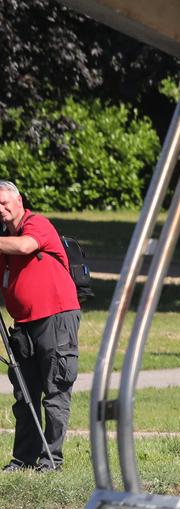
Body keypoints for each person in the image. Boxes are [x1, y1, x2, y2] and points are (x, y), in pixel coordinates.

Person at [0, 181, 82, 472]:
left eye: (4, 202)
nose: (1, 209)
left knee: (55, 390)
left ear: (19, 200)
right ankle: (23, 459)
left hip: (56, 318)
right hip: (22, 325)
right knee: (24, 394)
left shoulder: (38, 224)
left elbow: (26, 246)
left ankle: (51, 461)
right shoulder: (3, 241)